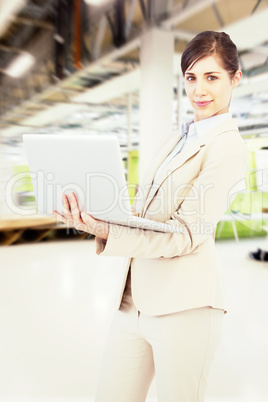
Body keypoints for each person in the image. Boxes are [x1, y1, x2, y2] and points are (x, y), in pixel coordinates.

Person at [52, 31, 248, 402]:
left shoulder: (228, 148)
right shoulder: (173, 140)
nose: (199, 90)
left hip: (185, 308)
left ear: (235, 78)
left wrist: (110, 229)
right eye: (191, 77)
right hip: (132, 301)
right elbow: (145, 214)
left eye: (212, 77)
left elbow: (185, 234)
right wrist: (95, 219)